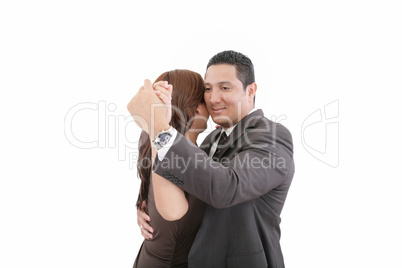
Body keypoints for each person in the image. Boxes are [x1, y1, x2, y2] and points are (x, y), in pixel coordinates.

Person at [128, 51, 295, 268]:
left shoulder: (272, 136)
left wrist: (158, 128)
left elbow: (226, 186)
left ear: (250, 90)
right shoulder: (211, 139)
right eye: (207, 89)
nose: (213, 98)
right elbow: (191, 184)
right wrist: (149, 209)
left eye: (225, 88)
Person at [132, 69, 209, 267]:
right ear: (198, 109)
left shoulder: (191, 152)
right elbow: (173, 213)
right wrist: (156, 123)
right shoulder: (166, 152)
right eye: (204, 96)